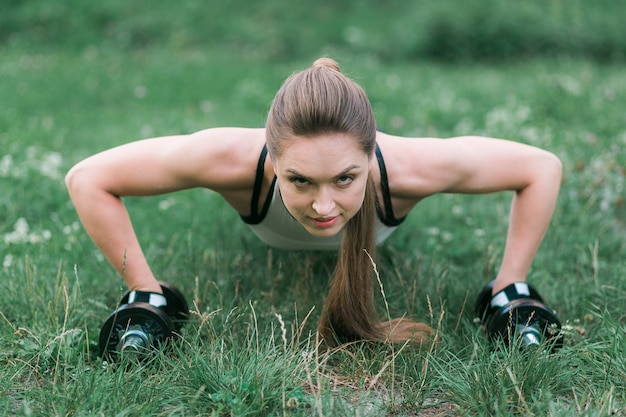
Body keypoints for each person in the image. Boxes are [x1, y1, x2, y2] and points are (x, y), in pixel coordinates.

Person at [65, 57, 562, 348]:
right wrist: (145, 292)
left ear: (371, 157)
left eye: (345, 178)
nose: (324, 206)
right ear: (272, 161)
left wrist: (509, 284)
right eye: (300, 180)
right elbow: (88, 178)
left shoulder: (409, 168)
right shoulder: (227, 158)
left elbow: (540, 167)